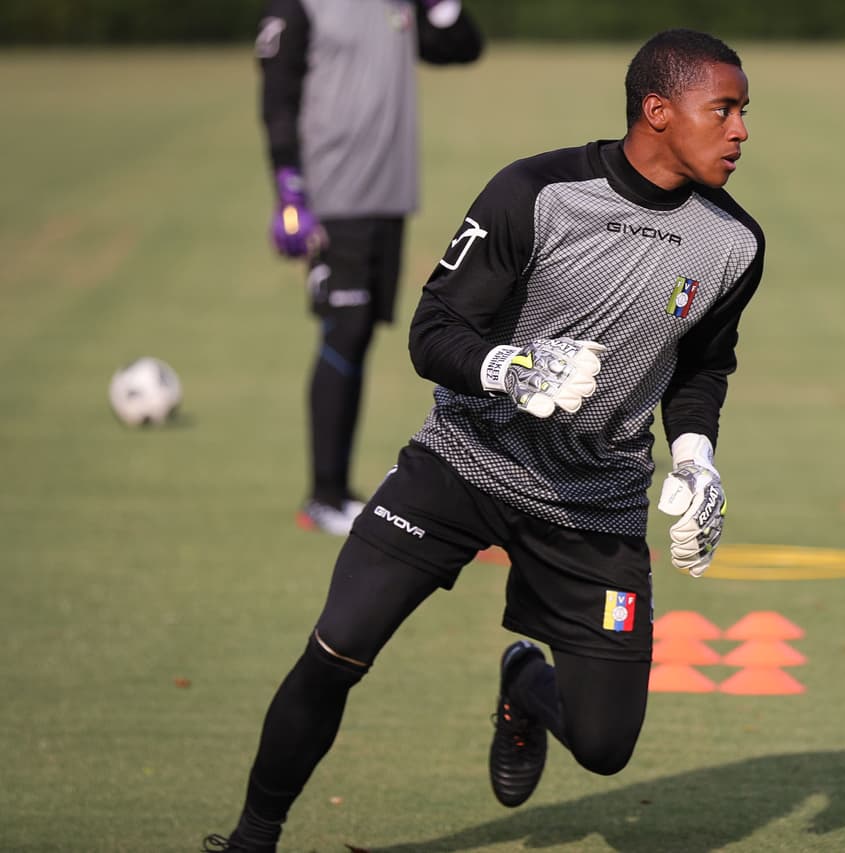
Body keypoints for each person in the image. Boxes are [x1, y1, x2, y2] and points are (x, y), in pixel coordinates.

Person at [203, 27, 764, 853]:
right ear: (656, 110)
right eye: (724, 109)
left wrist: (697, 456)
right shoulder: (534, 193)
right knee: (338, 646)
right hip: (465, 464)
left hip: (594, 504)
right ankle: (251, 838)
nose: (742, 130)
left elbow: (702, 370)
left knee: (607, 748)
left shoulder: (735, 242)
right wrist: (511, 367)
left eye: (743, 112)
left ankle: (525, 684)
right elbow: (434, 330)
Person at [256, 0, 483, 535]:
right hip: (334, 196)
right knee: (345, 328)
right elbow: (277, 94)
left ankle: (338, 491)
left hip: (388, 196)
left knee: (360, 336)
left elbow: (461, 48)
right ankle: (323, 495)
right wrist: (288, 188)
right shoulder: (301, 6)